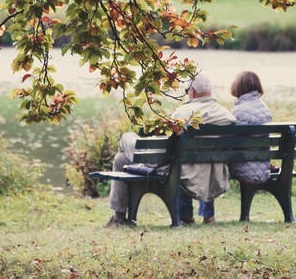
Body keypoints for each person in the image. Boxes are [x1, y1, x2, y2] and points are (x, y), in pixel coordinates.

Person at [106, 73, 236, 227]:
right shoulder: (227, 116)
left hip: (180, 172)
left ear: (191, 92)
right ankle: (119, 219)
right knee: (120, 159)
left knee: (127, 137)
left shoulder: (182, 114)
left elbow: (163, 144)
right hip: (210, 173)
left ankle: (119, 219)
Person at [193, 70, 273, 223]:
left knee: (211, 165)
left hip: (243, 165)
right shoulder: (265, 109)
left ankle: (207, 214)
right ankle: (208, 215)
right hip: (262, 165)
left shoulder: (238, 111)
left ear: (238, 87)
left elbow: (227, 140)